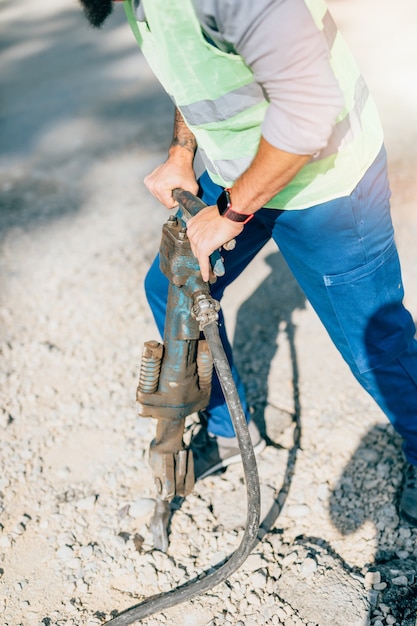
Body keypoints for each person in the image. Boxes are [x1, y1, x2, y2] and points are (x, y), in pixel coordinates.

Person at [79, 0, 417, 526]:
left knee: (376, 346)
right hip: (249, 167)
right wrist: (181, 152)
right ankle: (227, 430)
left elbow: (308, 109)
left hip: (327, 183)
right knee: (173, 286)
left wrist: (232, 213)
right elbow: (192, 72)